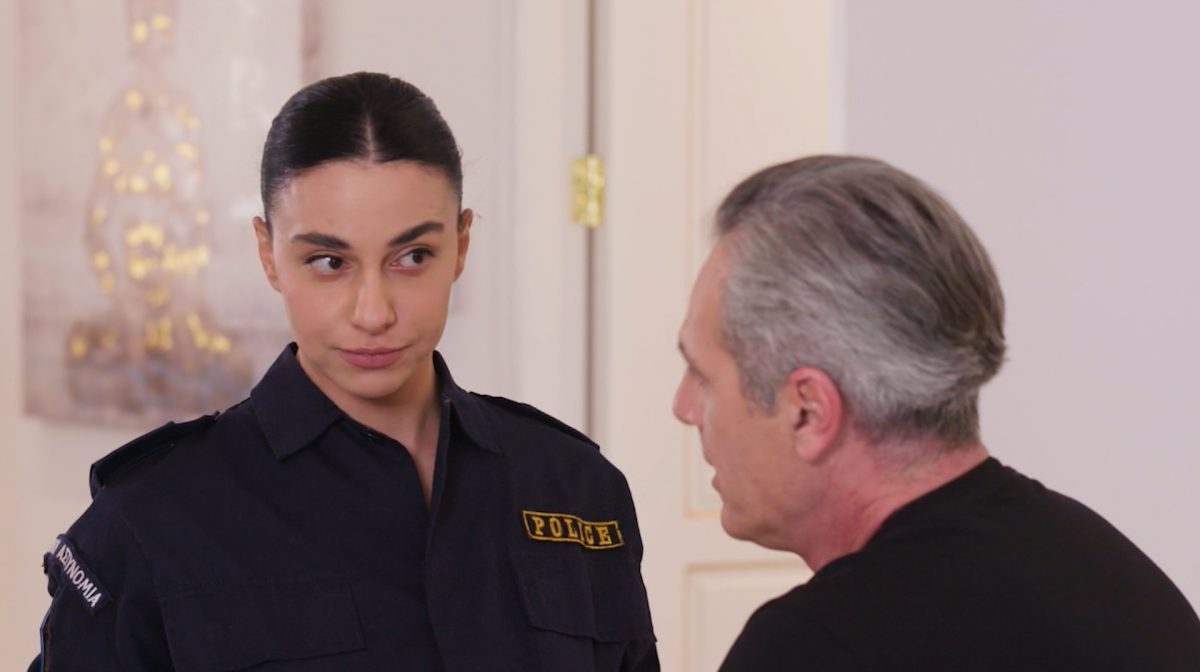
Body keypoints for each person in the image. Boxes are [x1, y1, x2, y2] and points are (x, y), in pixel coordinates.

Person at [31, 72, 657, 671]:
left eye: (413, 256)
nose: (374, 313)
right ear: (268, 254)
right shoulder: (151, 518)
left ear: (461, 246)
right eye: (329, 262)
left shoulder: (578, 489)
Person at [673, 155, 1200, 670]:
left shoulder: (820, 644)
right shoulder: (1108, 575)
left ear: (808, 412)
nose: (683, 407)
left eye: (702, 375)